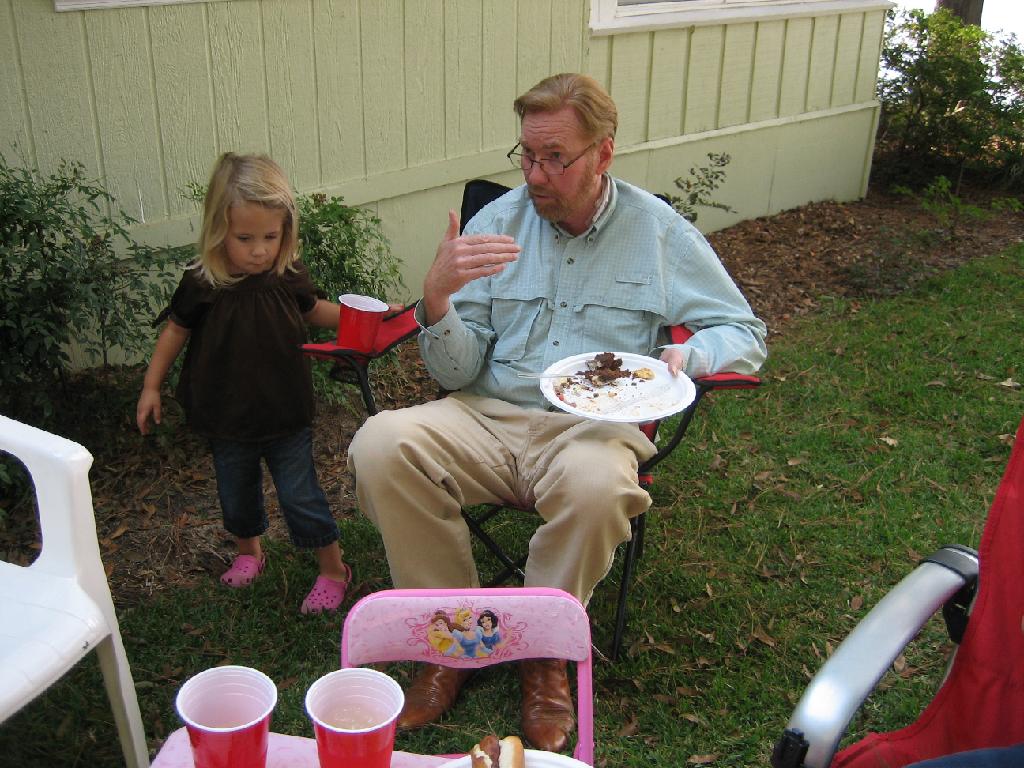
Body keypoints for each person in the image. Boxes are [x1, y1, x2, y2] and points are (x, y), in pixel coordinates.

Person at [347, 72, 767, 751]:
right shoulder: (497, 223)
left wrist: (691, 355)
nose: (536, 175)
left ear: (603, 152)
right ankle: (453, 641)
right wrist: (438, 301)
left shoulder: (658, 232)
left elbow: (743, 332)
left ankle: (542, 654)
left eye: (555, 158)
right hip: (485, 415)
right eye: (527, 155)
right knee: (381, 444)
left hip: (591, 430)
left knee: (599, 488)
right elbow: (455, 372)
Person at [136, 152, 352, 614]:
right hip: (226, 415)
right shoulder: (203, 282)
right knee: (235, 494)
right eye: (245, 238)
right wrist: (151, 386)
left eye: (270, 237)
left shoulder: (286, 274)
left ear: (285, 231)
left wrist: (364, 319)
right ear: (219, 230)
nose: (259, 250)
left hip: (285, 411)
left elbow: (314, 311)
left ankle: (333, 568)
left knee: (300, 495)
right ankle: (249, 552)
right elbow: (175, 330)